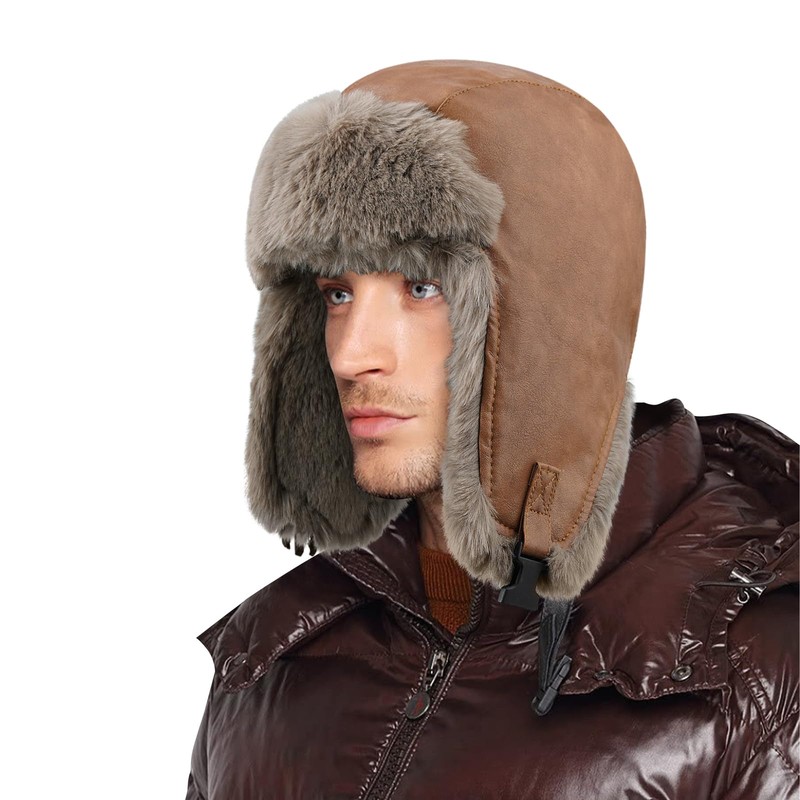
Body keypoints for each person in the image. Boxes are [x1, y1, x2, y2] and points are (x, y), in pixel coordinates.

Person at [184, 60, 798, 799]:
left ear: (544, 316)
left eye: (422, 287)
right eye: (337, 293)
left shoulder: (756, 671)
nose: (350, 355)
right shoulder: (267, 664)